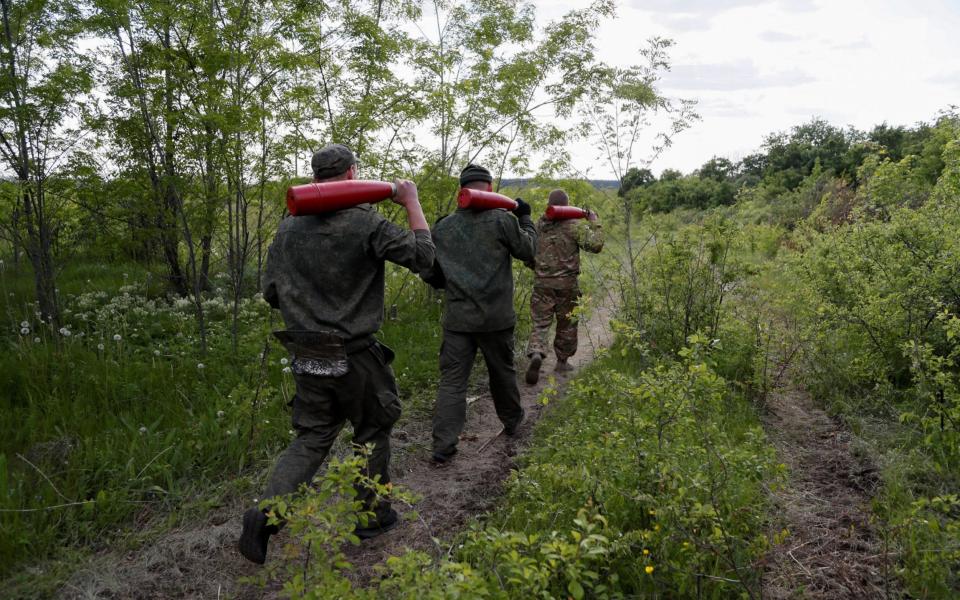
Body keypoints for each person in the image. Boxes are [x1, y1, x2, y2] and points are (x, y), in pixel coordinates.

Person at [238, 144, 434, 564]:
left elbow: (271, 292)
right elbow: (424, 257)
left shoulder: (289, 227)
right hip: (355, 354)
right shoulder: (366, 223)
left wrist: (308, 304)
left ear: (315, 179)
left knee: (312, 436)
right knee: (372, 429)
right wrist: (412, 201)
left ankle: (264, 514)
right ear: (352, 174)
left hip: (307, 350)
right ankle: (371, 516)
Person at [421, 164, 537, 463]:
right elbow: (529, 251)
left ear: (463, 189)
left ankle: (443, 445)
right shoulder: (502, 220)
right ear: (489, 187)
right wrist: (525, 218)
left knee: (452, 382)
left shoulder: (443, 227)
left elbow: (431, 275)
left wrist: (453, 279)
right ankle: (512, 422)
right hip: (496, 319)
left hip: (458, 320)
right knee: (502, 372)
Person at [524, 189, 603, 385]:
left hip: (542, 283)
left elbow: (527, 252)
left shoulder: (539, 225)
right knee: (567, 323)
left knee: (540, 322)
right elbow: (596, 245)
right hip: (567, 285)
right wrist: (594, 221)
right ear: (567, 206)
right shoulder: (574, 226)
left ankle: (536, 352)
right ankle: (562, 362)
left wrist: (537, 268)